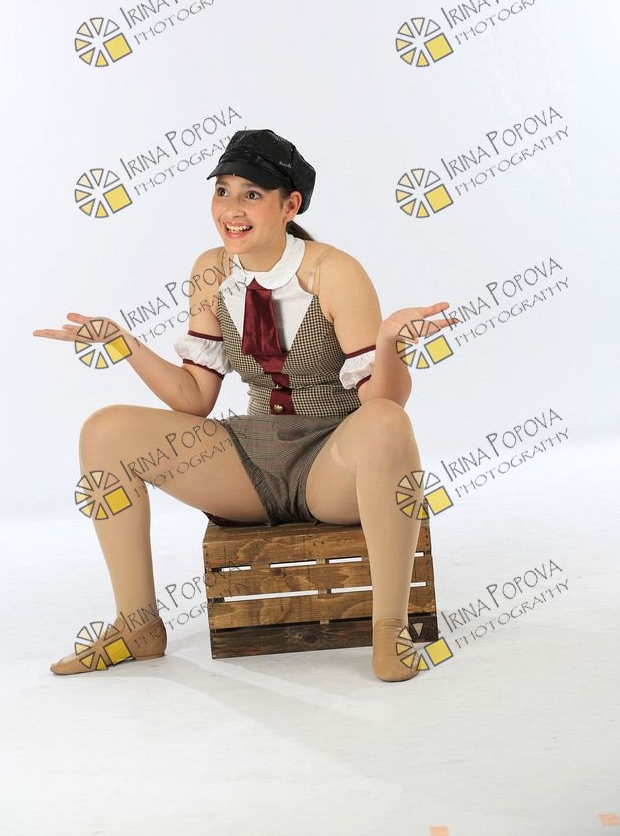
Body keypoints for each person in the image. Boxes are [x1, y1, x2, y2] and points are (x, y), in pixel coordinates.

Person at [33, 128, 459, 681]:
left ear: (290, 205)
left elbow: (383, 404)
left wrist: (388, 344)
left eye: (252, 195)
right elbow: (194, 399)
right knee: (104, 430)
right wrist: (124, 344)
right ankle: (137, 626)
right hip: (252, 461)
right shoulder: (212, 271)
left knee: (383, 421)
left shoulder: (334, 272)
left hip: (331, 463)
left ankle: (390, 631)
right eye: (223, 192)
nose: (231, 210)